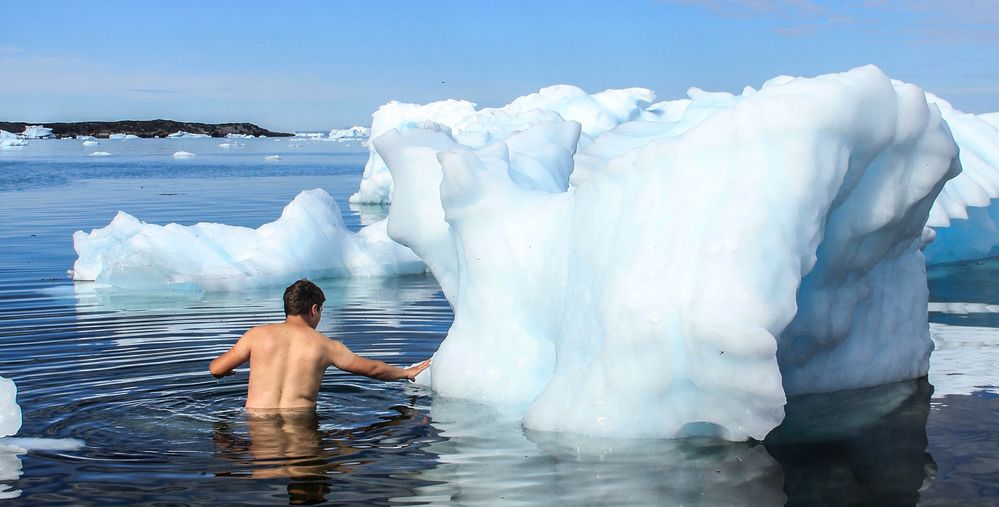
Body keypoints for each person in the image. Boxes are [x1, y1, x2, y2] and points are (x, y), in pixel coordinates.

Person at [209, 279, 431, 409]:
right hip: (299, 421)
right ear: (314, 309)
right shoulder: (325, 346)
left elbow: (216, 369)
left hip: (256, 420)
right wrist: (405, 372)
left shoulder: (256, 335)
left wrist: (226, 372)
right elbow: (372, 369)